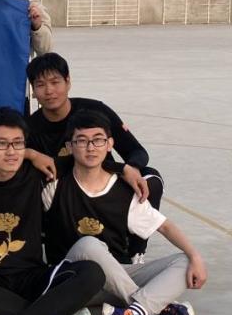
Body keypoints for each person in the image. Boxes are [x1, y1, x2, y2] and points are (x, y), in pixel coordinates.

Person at [0, 107, 144, 315]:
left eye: (18, 143)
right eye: (2, 144)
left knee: (93, 273)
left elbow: (85, 160)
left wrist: (124, 168)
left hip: (32, 276)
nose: (11, 151)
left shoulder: (37, 173)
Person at [42, 110, 207, 315]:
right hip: (76, 280)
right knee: (89, 244)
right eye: (82, 140)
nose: (91, 147)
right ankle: (155, 309)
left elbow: (165, 226)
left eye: (98, 140)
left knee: (185, 261)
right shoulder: (55, 186)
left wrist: (196, 257)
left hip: (119, 277)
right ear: (70, 146)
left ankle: (132, 313)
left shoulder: (124, 191)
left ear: (110, 144)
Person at [25, 52, 163, 260]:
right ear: (33, 90)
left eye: (55, 82)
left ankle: (135, 251)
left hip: (104, 185)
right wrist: (30, 153)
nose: (49, 90)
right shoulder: (30, 128)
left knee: (150, 179)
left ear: (68, 81)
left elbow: (137, 151)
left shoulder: (95, 110)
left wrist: (130, 168)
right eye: (41, 84)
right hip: (65, 196)